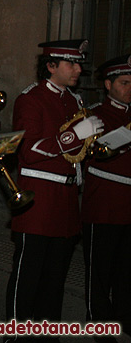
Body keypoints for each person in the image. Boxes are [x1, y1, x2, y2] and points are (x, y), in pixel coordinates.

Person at [6, 40, 103, 341]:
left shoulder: (73, 101)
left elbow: (76, 152)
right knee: (28, 275)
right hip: (39, 200)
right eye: (71, 64)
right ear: (50, 66)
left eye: (79, 63)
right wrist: (75, 135)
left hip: (65, 200)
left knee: (55, 277)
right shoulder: (31, 99)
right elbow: (30, 150)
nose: (78, 69)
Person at [81, 55, 131, 339]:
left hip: (128, 206)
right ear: (108, 84)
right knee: (100, 269)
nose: (129, 89)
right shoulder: (95, 114)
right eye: (124, 83)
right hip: (104, 204)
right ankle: (99, 320)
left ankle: (125, 315)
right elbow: (100, 150)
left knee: (126, 268)